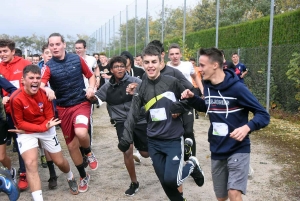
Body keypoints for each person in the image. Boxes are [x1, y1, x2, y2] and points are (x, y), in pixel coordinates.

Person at [181, 47, 270, 201]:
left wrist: (247, 127)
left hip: (238, 147)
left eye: (202, 65)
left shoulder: (237, 88)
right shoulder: (207, 86)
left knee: (234, 193)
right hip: (217, 147)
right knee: (221, 197)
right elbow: (208, 106)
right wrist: (191, 98)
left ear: (215, 65)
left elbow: (263, 114)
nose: (199, 69)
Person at [118, 45, 205, 201]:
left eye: (153, 62)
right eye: (147, 62)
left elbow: (191, 100)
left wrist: (179, 106)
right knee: (165, 182)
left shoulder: (172, 82)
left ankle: (191, 164)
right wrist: (126, 138)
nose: (150, 66)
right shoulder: (141, 87)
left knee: (173, 180)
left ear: (160, 62)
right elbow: (132, 114)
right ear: (142, 64)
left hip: (173, 139)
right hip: (153, 141)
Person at [9, 65, 79, 200]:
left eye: (37, 78)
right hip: (28, 131)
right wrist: (41, 127)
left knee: (59, 161)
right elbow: (19, 123)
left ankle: (70, 176)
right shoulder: (15, 98)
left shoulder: (45, 95)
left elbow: (49, 118)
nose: (35, 81)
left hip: (45, 128)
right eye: (31, 78)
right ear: (23, 80)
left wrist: (42, 127)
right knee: (30, 164)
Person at [40, 33, 98, 193]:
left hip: (81, 103)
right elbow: (41, 84)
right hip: (63, 108)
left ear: (64, 44)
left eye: (57, 44)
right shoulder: (49, 66)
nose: (54, 47)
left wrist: (91, 88)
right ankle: (83, 175)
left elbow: (91, 76)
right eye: (51, 45)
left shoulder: (76, 59)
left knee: (81, 131)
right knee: (71, 146)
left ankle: (89, 152)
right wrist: (47, 88)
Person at [94, 56, 148, 196]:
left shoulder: (135, 81)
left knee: (145, 153)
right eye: (116, 66)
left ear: (126, 67)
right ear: (111, 69)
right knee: (127, 151)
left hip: (139, 120)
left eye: (122, 66)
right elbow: (96, 99)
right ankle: (134, 182)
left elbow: (148, 92)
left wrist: (137, 91)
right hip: (121, 123)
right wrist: (89, 95)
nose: (120, 69)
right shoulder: (107, 87)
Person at [0, 38, 31, 190]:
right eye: (0, 52)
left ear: (13, 51)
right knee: (18, 143)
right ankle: (23, 171)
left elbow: (34, 84)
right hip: (9, 112)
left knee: (25, 141)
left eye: (5, 51)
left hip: (26, 110)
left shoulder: (24, 64)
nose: (2, 54)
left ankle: (25, 172)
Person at [37, 44, 59, 189]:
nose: (50, 55)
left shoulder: (59, 68)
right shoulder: (36, 71)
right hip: (44, 110)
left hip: (60, 106)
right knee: (45, 141)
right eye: (47, 52)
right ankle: (52, 174)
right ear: (43, 56)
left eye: (51, 52)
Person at [0, 76, 17, 184]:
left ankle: (11, 172)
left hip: (0, 122)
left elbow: (13, 89)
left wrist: (7, 97)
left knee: (1, 157)